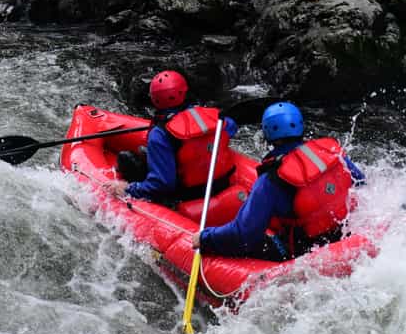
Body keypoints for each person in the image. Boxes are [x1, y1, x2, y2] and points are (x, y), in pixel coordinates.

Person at [192, 101, 365, 261]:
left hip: (302, 255)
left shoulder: (271, 180)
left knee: (252, 242)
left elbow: (243, 235)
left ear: (267, 134)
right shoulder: (331, 154)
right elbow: (362, 183)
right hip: (344, 235)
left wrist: (205, 237)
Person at [105, 70, 238, 203]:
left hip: (186, 196)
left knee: (126, 159)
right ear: (185, 91)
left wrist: (129, 189)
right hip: (220, 185)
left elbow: (161, 184)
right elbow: (232, 127)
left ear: (154, 99)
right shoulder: (214, 117)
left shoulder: (160, 135)